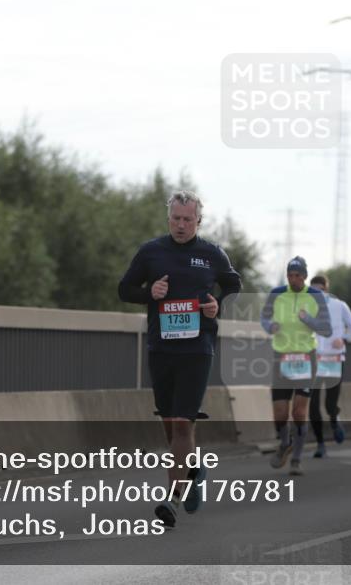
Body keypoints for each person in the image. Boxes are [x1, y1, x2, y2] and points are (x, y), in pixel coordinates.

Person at [118, 190, 242, 527]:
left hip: (197, 348)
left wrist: (217, 302)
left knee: (184, 422)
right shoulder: (152, 252)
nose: (182, 225)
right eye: (176, 218)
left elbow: (234, 284)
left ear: (198, 221)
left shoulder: (211, 254)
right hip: (161, 348)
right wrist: (149, 293)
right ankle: (192, 468)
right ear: (168, 218)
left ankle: (171, 500)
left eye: (188, 219)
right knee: (170, 423)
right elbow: (124, 289)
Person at [261, 256, 332, 476]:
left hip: (305, 357)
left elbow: (327, 329)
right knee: (280, 414)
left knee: (299, 412)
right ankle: (285, 442)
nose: (293, 279)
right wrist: (269, 325)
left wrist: (309, 320)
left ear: (305, 276)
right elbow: (264, 318)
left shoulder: (316, 296)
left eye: (297, 275)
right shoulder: (276, 293)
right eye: (290, 275)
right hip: (281, 356)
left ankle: (297, 459)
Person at [308, 275, 351, 457]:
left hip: (334, 360)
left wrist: (343, 338)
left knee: (330, 403)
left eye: (318, 290)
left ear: (325, 289)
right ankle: (320, 444)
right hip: (313, 361)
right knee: (312, 405)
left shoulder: (340, 306)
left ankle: (334, 418)